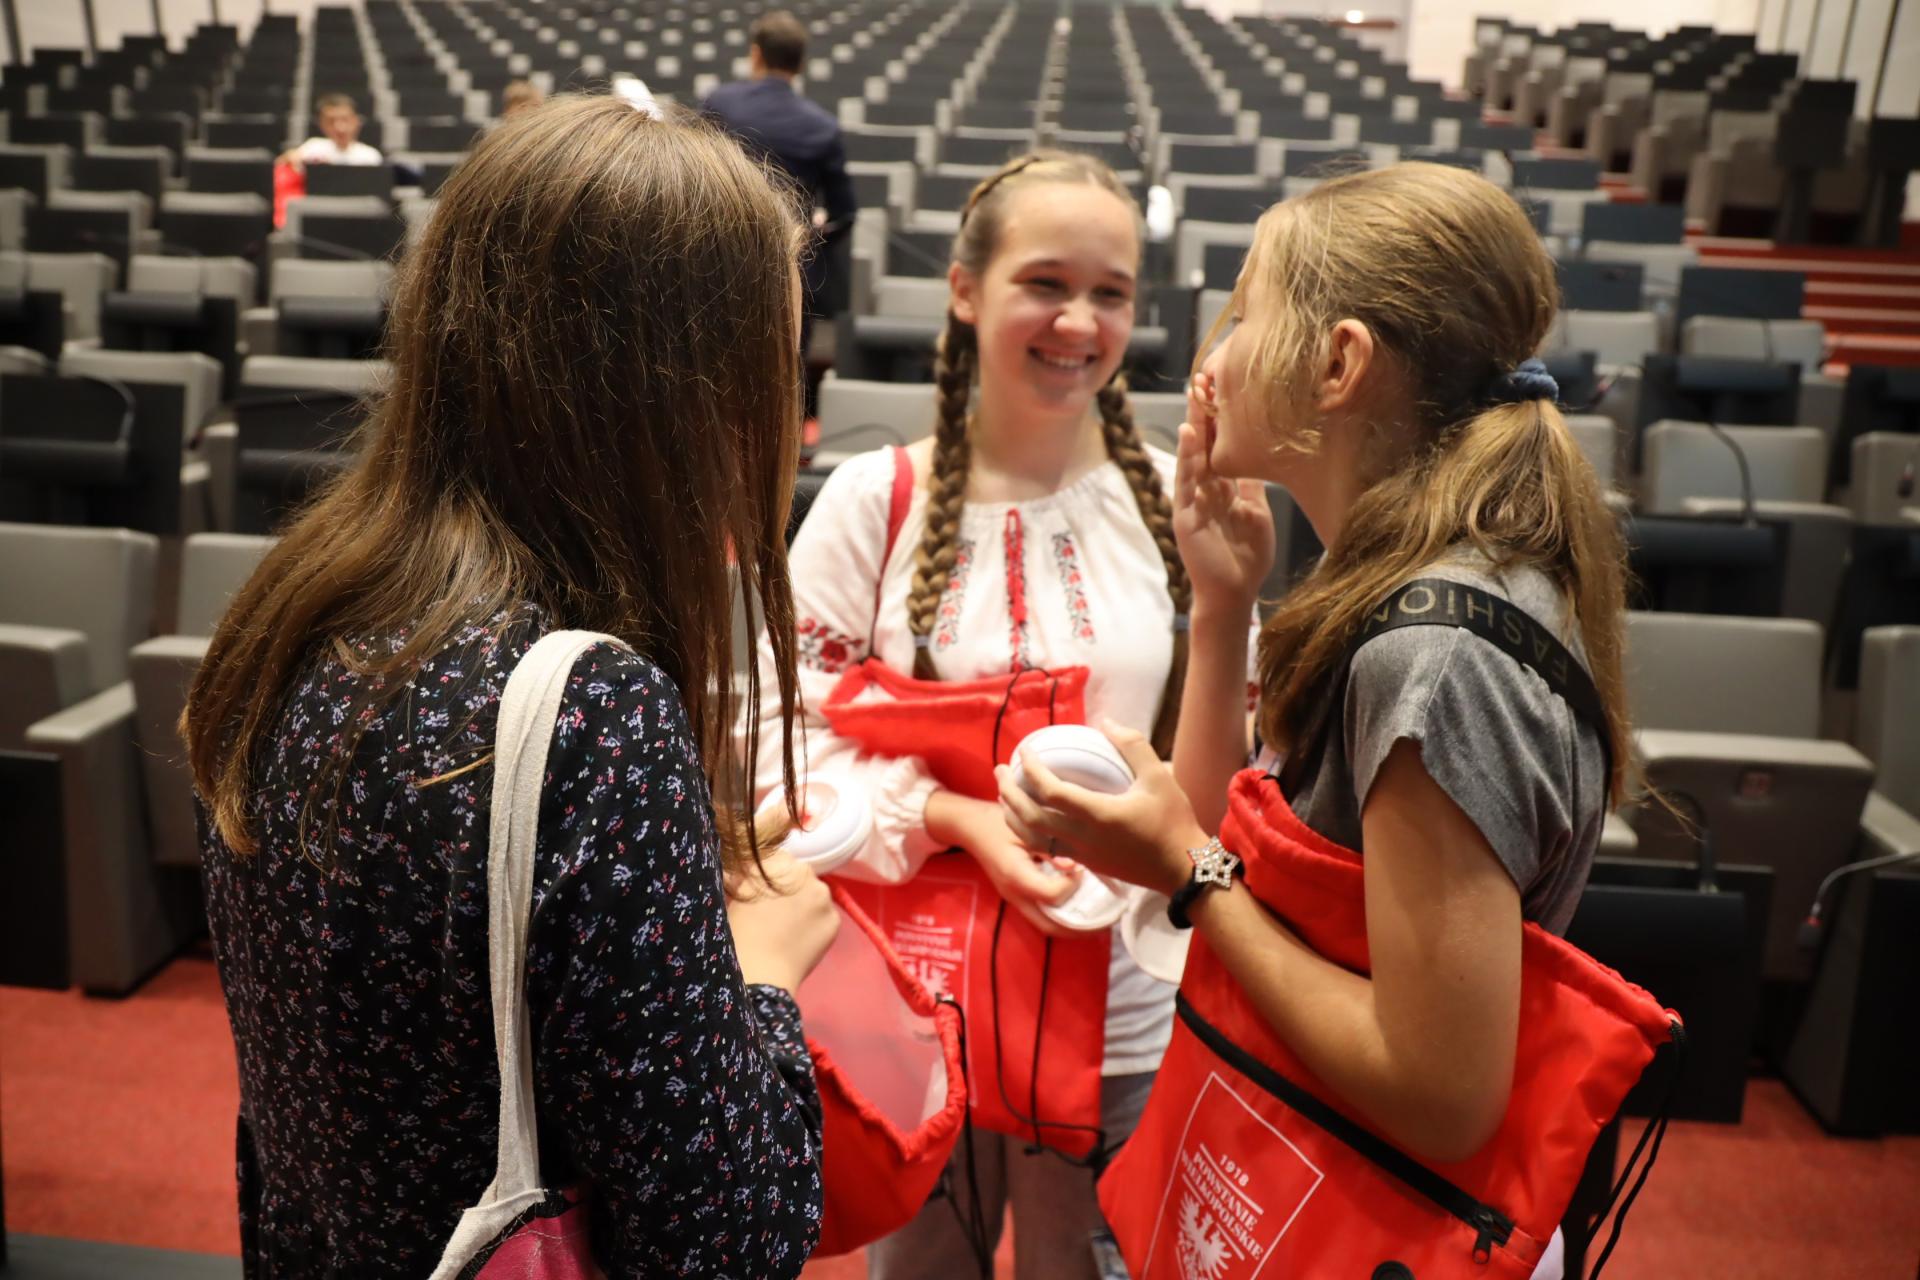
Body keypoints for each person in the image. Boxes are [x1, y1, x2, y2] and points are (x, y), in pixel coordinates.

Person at [184, 97, 836, 1278]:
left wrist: (671, 897)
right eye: (766, 375)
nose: (788, 427)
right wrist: (764, 962)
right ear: (671, 400)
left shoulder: (292, 607)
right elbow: (735, 1236)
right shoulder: (592, 710)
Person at [1000, 161, 1632, 1199]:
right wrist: (1223, 598)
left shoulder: (1437, 659)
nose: (1216, 353)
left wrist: (1189, 871)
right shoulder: (1388, 587)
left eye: (1244, 313)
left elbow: (1440, 1093)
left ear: (1339, 363)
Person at [748, 150, 1190, 1279]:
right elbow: (772, 758)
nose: (1078, 322)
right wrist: (956, 813)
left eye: (1111, 292)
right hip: (924, 982)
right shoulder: (871, 500)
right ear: (964, 289)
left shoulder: (1178, 504)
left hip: (1123, 1003)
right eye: (1045, 282)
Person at [703, 9, 855, 402]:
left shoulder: (719, 104)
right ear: (801, 64)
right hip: (790, 270)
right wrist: (818, 230)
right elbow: (845, 212)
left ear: (756, 55)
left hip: (715, 262)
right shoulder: (822, 126)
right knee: (784, 377)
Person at [278, 92, 383, 171]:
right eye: (331, 121)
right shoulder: (312, 147)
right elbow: (282, 165)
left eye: (345, 119)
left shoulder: (371, 156)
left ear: (356, 121)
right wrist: (289, 157)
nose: (339, 127)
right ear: (322, 124)